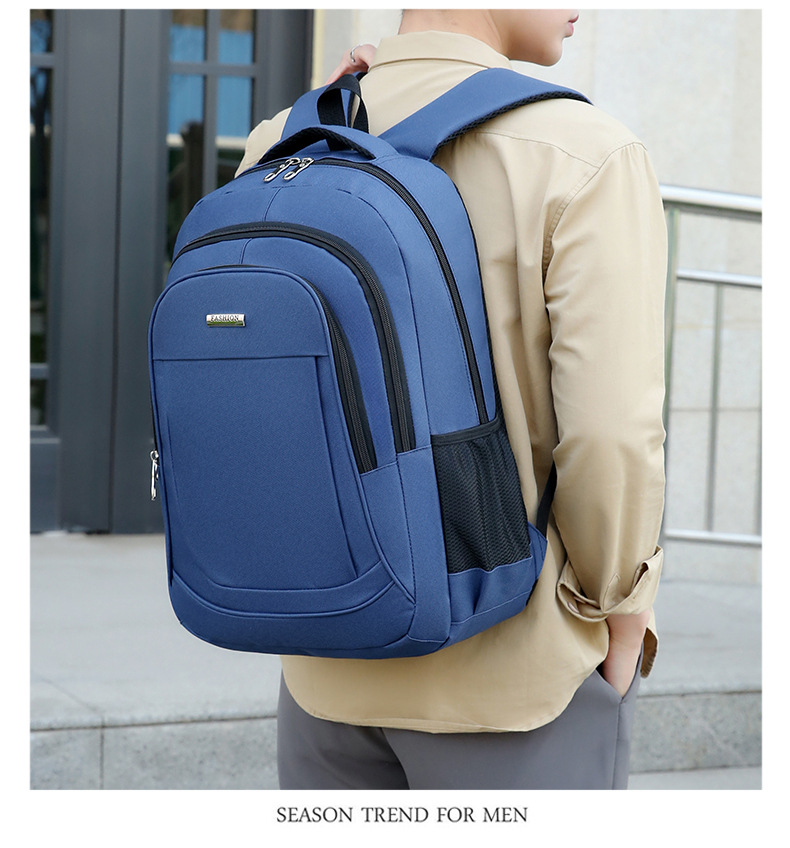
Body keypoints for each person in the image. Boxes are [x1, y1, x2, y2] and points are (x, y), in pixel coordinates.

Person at [236, 9, 667, 790]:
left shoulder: (284, 141)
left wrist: (320, 117)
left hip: (324, 662)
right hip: (518, 682)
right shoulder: (585, 152)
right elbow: (610, 434)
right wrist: (623, 608)